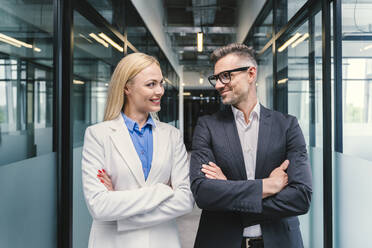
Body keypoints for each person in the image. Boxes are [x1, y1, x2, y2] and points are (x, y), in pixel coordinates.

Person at [190, 43, 312, 248]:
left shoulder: (287, 125)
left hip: (280, 241)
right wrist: (268, 185)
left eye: (226, 76)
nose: (219, 84)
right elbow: (203, 193)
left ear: (251, 73)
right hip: (220, 241)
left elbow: (300, 197)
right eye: (216, 78)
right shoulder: (207, 126)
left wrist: (227, 188)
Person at [82, 52, 194, 248]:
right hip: (113, 242)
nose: (160, 91)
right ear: (127, 87)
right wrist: (162, 191)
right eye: (151, 84)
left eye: (161, 83)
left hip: (162, 241)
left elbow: (185, 200)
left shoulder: (172, 135)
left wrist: (121, 212)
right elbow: (99, 206)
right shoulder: (98, 135)